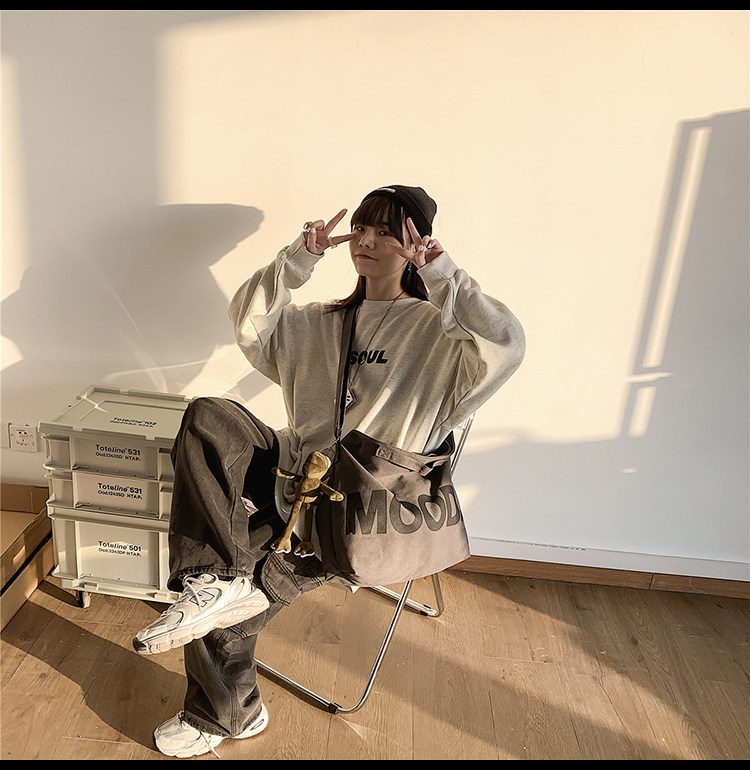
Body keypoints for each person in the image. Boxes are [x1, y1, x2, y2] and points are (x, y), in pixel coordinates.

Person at [132, 185, 525, 757]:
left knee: (244, 593)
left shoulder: (439, 336)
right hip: (291, 477)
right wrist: (298, 260)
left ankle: (229, 712)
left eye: (386, 232)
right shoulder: (316, 322)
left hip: (356, 510)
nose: (366, 240)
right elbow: (249, 321)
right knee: (208, 417)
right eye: (362, 228)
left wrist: (443, 276)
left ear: (417, 243)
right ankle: (212, 580)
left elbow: (507, 344)